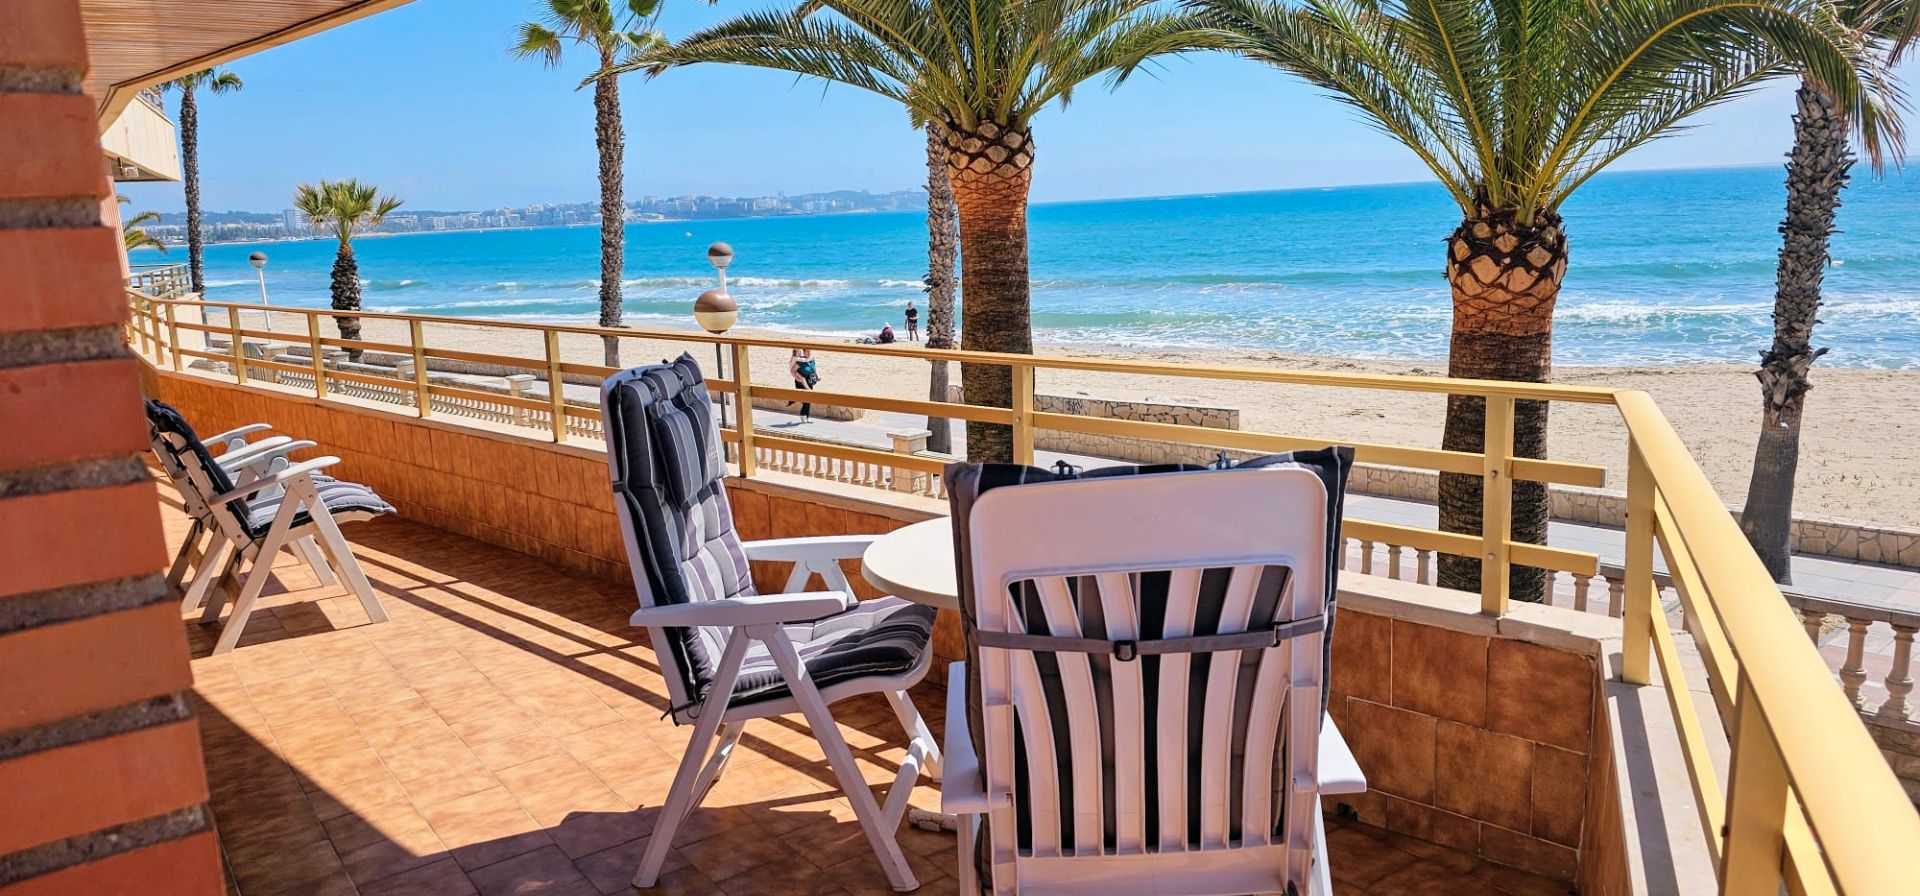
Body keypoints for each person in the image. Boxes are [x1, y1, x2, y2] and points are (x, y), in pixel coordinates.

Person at [789, 348, 816, 422]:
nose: (809, 352)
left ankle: (807, 417)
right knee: (806, 398)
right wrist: (797, 378)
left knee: (809, 398)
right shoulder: (800, 361)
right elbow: (792, 370)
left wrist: (817, 376)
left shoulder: (812, 359)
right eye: (807, 351)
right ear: (804, 352)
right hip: (800, 381)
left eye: (810, 351)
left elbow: (813, 369)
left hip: (809, 380)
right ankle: (803, 415)